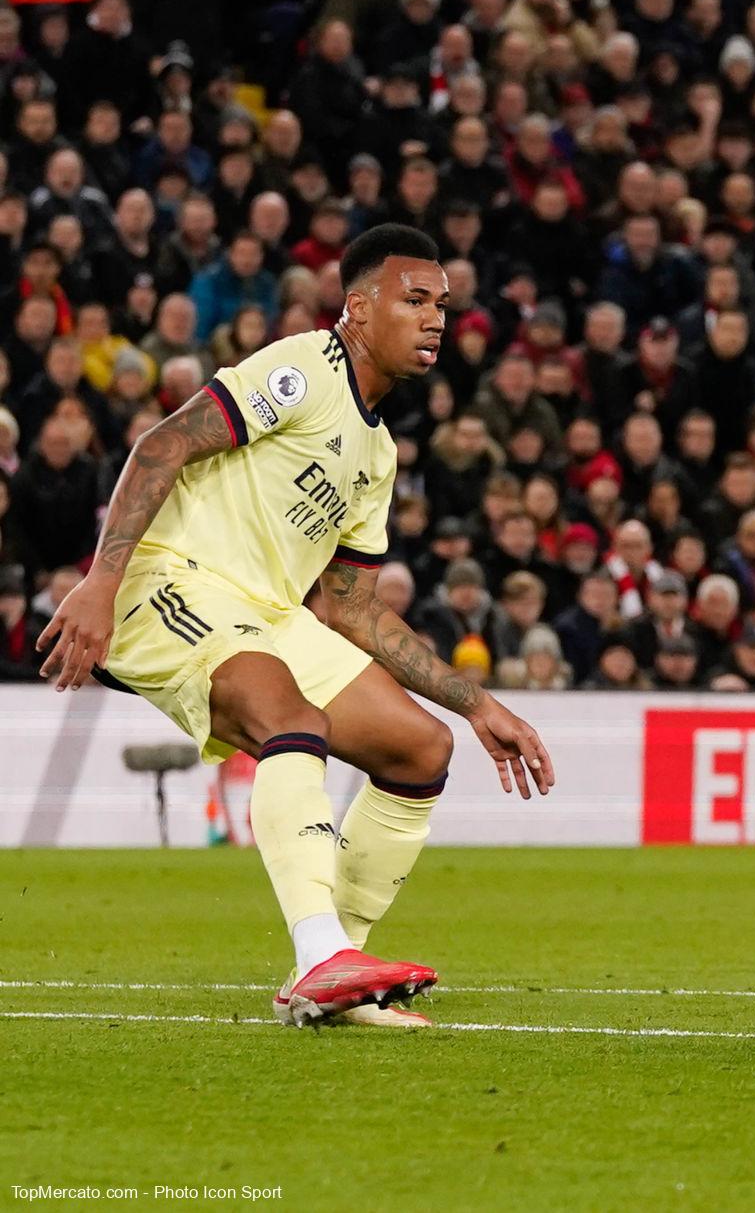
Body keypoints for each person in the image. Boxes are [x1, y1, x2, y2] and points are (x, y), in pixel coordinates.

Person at [36, 225, 554, 1030]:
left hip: (270, 612)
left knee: (420, 749)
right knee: (291, 717)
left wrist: (477, 704)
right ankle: (321, 955)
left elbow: (349, 606)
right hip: (171, 579)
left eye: (442, 306)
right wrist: (103, 580)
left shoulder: (377, 451)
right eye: (414, 300)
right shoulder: (303, 368)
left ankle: (340, 970)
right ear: (358, 306)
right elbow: (163, 442)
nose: (435, 321)